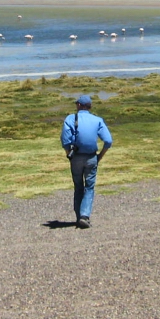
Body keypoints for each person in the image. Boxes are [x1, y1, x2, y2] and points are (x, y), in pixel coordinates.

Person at [60, 94, 113, 229]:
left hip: (76, 157)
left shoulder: (70, 119)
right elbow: (108, 141)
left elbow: (65, 140)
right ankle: (84, 216)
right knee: (89, 187)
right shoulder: (97, 120)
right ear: (89, 106)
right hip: (91, 157)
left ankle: (79, 217)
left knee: (78, 186)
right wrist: (100, 156)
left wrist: (69, 155)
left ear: (78, 105)